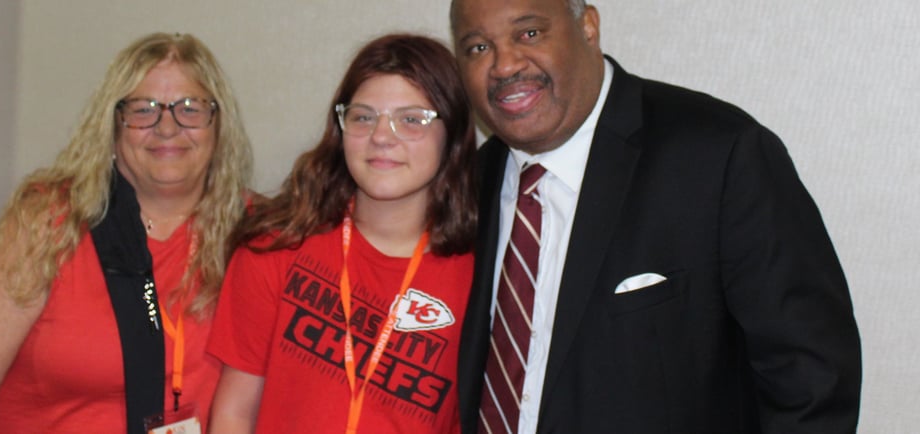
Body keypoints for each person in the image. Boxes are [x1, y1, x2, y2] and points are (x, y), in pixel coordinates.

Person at [450, 1, 863, 433]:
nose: (504, 65)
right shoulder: (468, 185)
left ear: (588, 26)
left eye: (529, 34)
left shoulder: (717, 155)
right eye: (478, 47)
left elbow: (812, 375)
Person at [0, 32, 253, 434]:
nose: (167, 127)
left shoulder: (254, 234)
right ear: (113, 126)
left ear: (218, 127)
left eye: (190, 108)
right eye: (143, 109)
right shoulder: (46, 225)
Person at [207, 33, 476, 433]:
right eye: (363, 116)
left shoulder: (483, 273)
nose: (382, 137)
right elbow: (233, 414)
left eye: (412, 119)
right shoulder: (277, 245)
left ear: (451, 134)